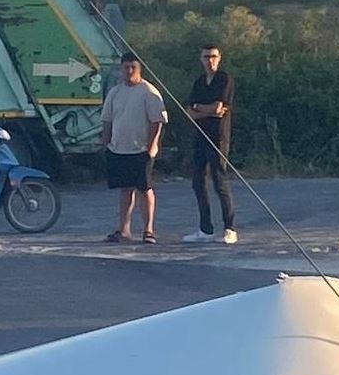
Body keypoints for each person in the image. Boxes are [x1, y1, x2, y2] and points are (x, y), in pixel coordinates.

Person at [101, 52, 168, 243]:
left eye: (133, 67)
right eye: (126, 67)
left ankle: (148, 230)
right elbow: (107, 120)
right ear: (121, 69)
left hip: (141, 149)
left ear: (139, 69)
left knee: (144, 188)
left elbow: (157, 121)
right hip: (118, 148)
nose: (129, 71)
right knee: (125, 189)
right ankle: (124, 230)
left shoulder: (149, 91)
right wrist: (106, 143)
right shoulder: (115, 92)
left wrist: (152, 146)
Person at [181, 44, 238, 243]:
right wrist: (206, 110)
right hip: (200, 136)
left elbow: (218, 108)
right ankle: (205, 229)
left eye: (213, 56)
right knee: (198, 182)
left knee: (219, 181)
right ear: (201, 59)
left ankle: (230, 228)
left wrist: (201, 109)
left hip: (218, 137)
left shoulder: (224, 79)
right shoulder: (199, 82)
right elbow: (190, 111)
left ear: (219, 58)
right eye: (206, 57)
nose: (210, 60)